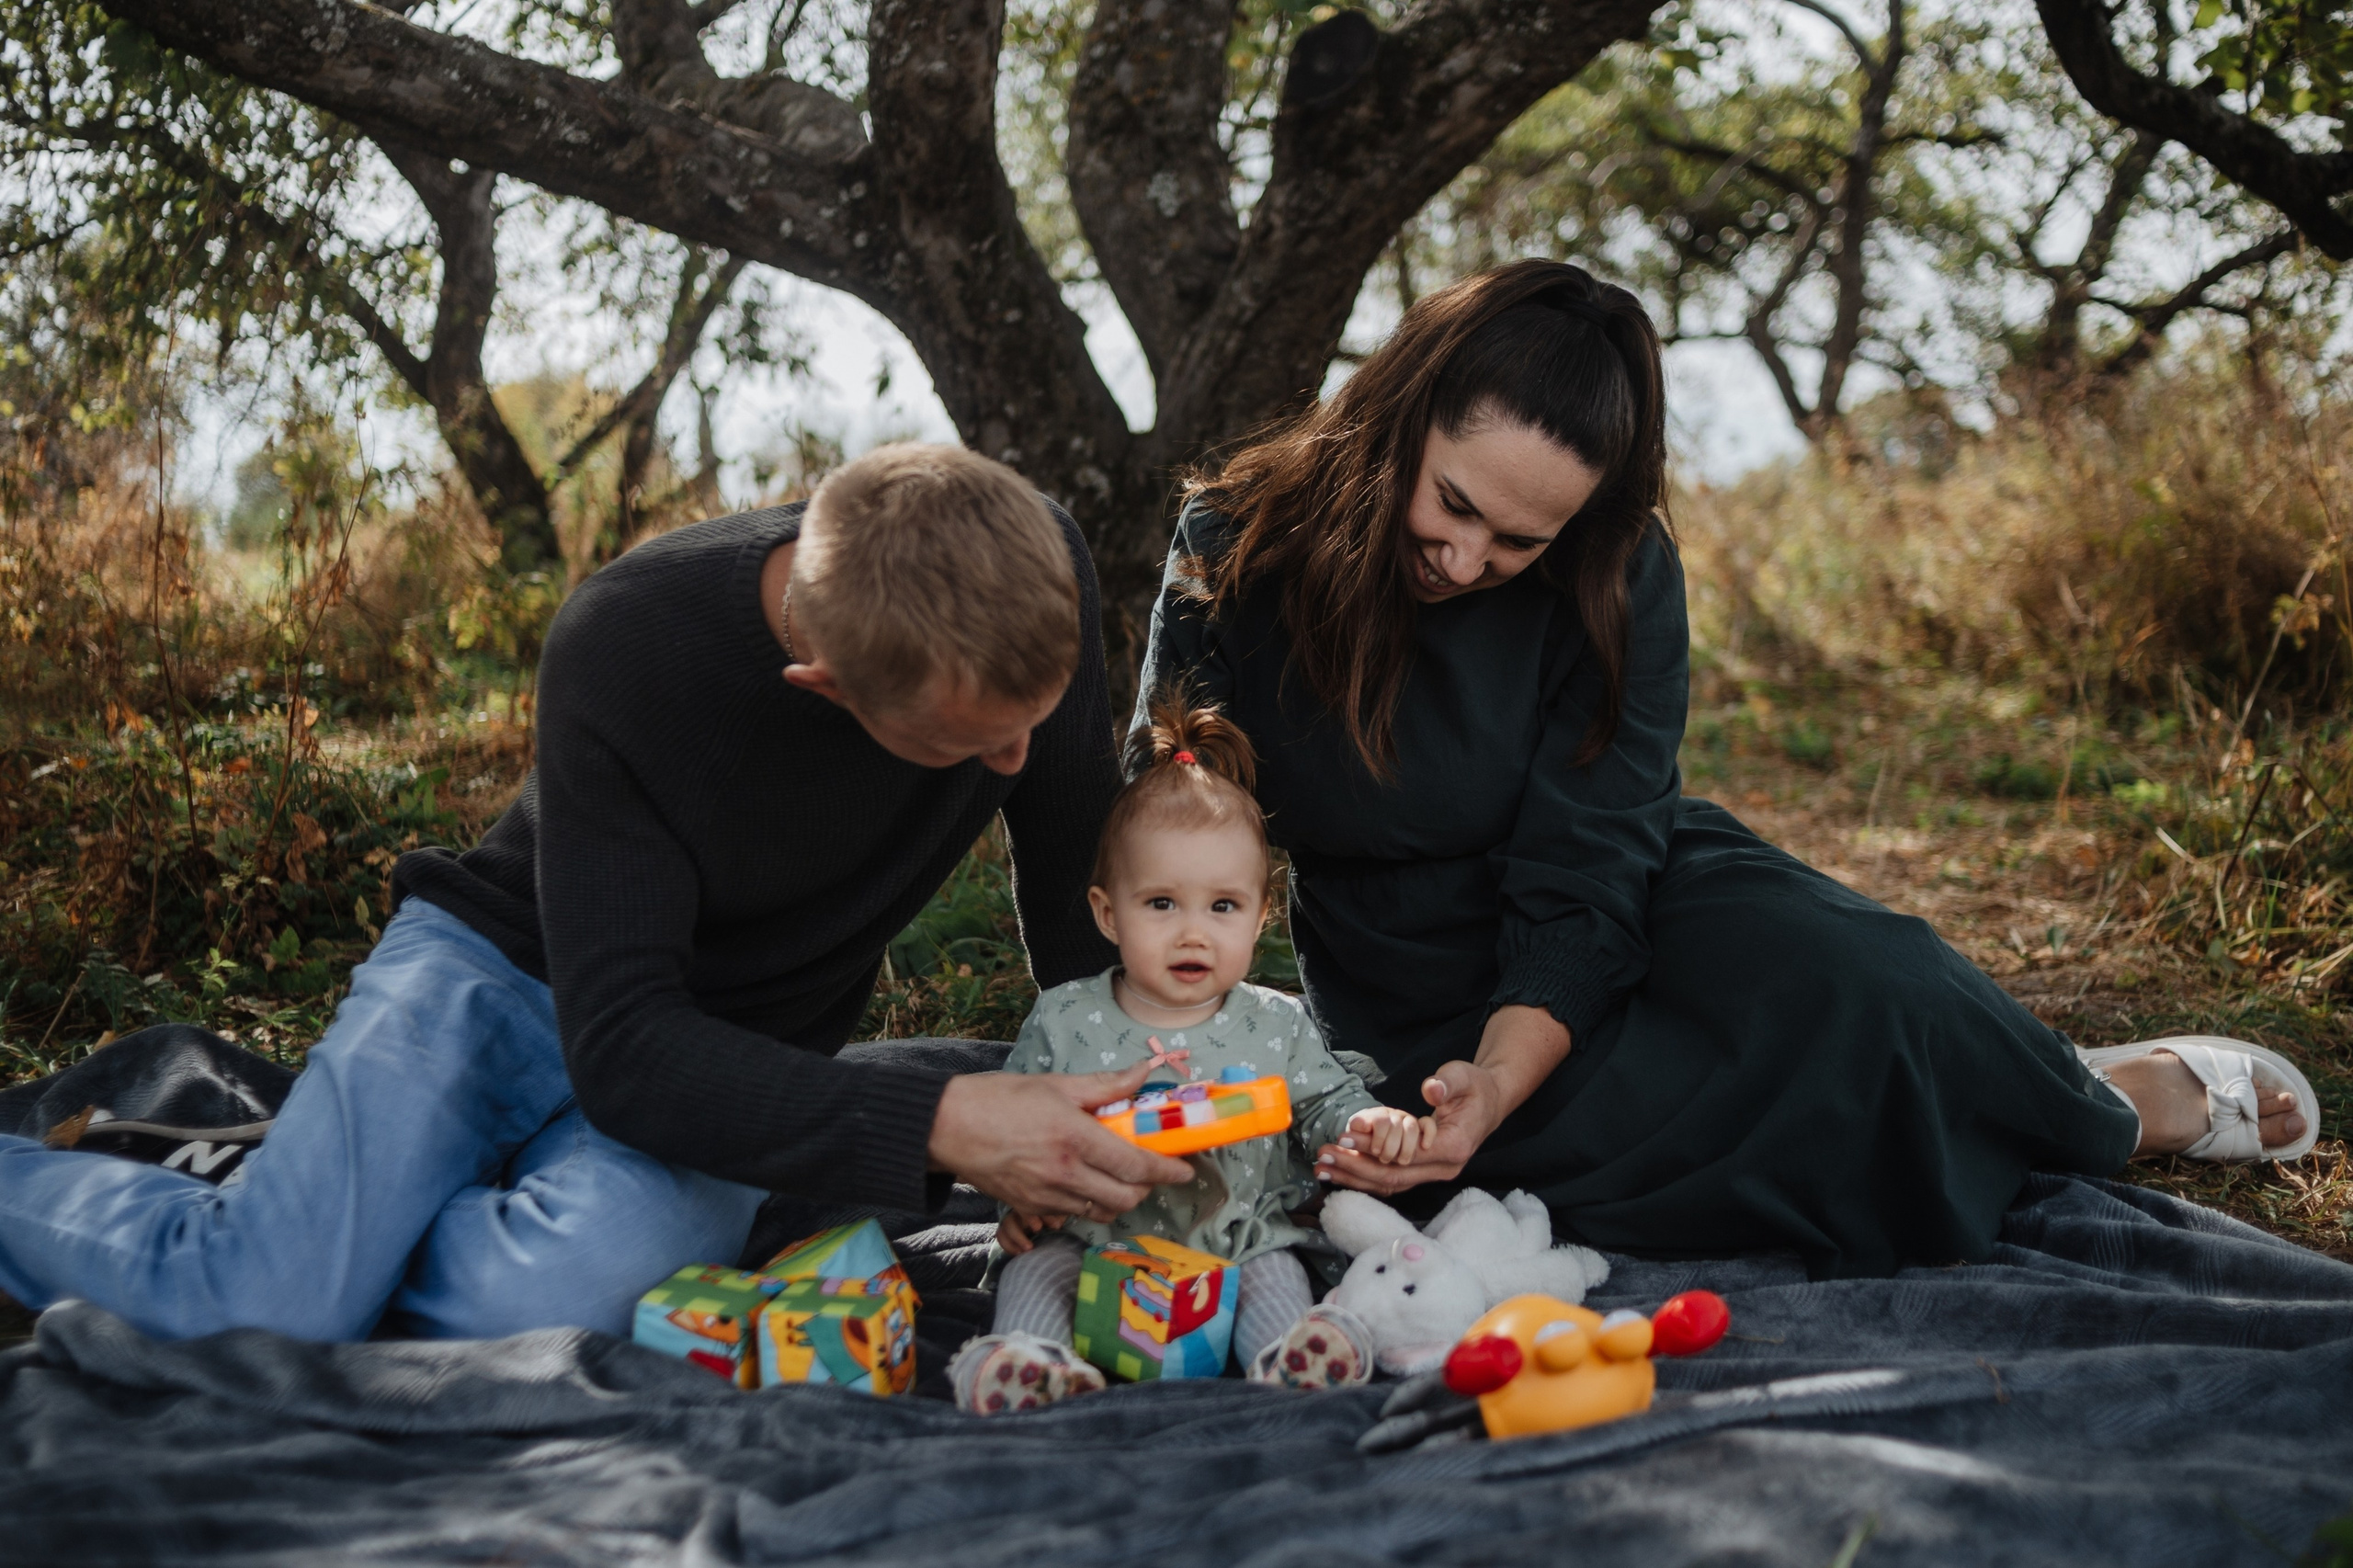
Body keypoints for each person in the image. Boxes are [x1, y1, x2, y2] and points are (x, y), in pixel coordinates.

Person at [1135, 259, 2313, 1280]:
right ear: (1400, 413)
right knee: (1605, 1167)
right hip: (1399, 962)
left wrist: (1496, 1078)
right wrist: (1141, 1044)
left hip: (1614, 891)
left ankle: (2099, 1102)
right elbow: (1161, 818)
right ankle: (1994, 1105)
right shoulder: (1234, 541)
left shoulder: (1618, 568)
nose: (1463, 556)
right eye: (1450, 505)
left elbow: (1590, 858)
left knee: (1872, 978)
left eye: (1517, 541)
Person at [0, 443, 1193, 1341]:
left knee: (551, 1301)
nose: (1018, 769)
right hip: (500, 976)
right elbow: (623, 1047)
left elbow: (1069, 873)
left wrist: (1119, 1089)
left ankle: (325, 1226)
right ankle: (278, 1239)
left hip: (734, 1048)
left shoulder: (1035, 569)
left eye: (1030, 723)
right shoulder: (628, 642)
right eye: (967, 745)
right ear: (821, 685)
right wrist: (936, 1124)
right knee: (256, 1301)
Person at [949, 695, 1421, 1414]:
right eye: (1162, 904)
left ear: (1261, 915)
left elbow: (1326, 1100)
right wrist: (1020, 1205)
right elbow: (1013, 1127)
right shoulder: (1068, 1016)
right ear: (1109, 913)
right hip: (1094, 1238)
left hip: (1227, 1237)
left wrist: (1363, 1126)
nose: (1193, 933)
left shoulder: (1274, 1023)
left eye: (1222, 907)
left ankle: (1291, 1356)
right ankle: (1026, 1361)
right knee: (1035, 1267)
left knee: (1276, 1265)